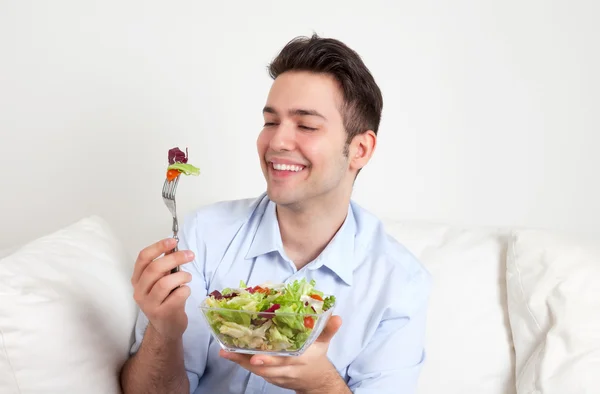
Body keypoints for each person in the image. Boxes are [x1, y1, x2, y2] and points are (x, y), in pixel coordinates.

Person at [120, 34, 432, 394]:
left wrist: (322, 385)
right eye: (271, 122)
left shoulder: (399, 283)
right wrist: (164, 333)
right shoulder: (204, 236)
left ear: (360, 149)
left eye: (306, 126)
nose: (277, 142)